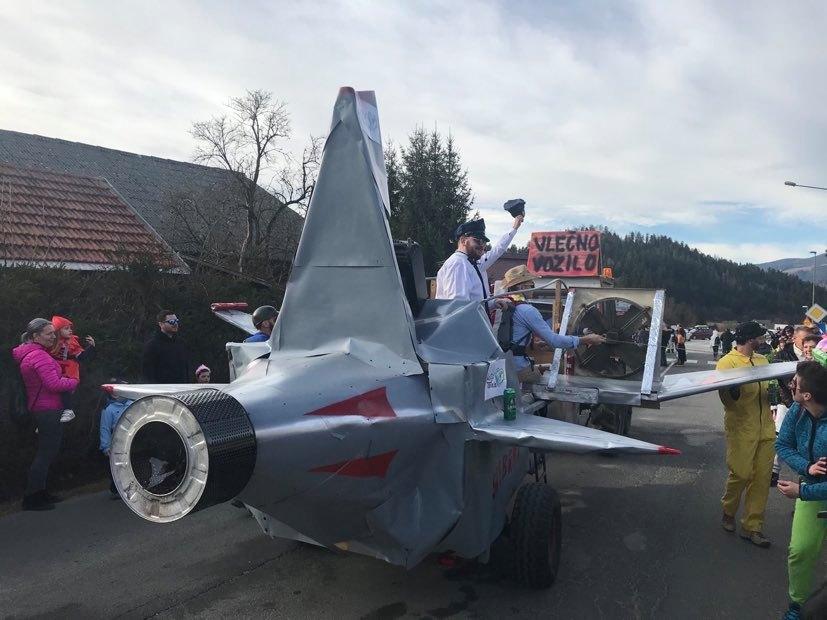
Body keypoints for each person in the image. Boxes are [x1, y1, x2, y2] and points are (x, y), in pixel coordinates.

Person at [775, 361, 827, 620]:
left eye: (794, 383)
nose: (790, 385)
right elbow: (783, 445)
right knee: (801, 550)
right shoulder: (798, 410)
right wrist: (807, 467)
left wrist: (801, 492)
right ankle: (797, 605)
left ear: (807, 395)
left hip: (808, 492)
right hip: (811, 490)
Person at [716, 321, 774, 547]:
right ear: (751, 339)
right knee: (740, 474)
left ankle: (753, 527)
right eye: (760, 337)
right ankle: (728, 510)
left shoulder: (762, 360)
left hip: (766, 428)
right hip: (741, 428)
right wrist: (732, 389)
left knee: (761, 479)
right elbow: (728, 401)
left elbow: (768, 390)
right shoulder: (727, 362)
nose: (763, 340)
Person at [12, 318, 79, 510]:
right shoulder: (39, 356)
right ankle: (32, 498)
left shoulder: (32, 354)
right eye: (49, 334)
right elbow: (54, 384)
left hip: (42, 408)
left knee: (46, 452)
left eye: (53, 333)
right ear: (36, 336)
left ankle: (40, 492)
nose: (53, 337)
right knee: (45, 453)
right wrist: (74, 381)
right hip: (48, 409)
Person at [500, 265, 605, 384]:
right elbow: (554, 341)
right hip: (518, 369)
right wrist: (586, 340)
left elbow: (511, 340)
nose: (534, 289)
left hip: (503, 366)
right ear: (522, 287)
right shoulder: (527, 310)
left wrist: (533, 346)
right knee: (555, 384)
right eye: (532, 285)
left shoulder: (507, 307)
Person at [435, 210, 523, 306]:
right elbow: (458, 307)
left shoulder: (471, 263)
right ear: (463, 240)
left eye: (484, 242)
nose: (482, 246)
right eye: (478, 241)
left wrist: (493, 303)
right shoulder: (458, 264)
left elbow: (498, 250)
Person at [48, 315, 96, 423]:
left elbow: (81, 357)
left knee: (65, 387)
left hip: (69, 369)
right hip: (53, 367)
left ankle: (68, 410)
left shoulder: (71, 341)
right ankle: (49, 417)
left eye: (70, 328)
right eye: (66, 328)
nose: (70, 330)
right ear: (58, 330)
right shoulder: (51, 341)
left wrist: (91, 347)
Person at [99, 385, 133, 497]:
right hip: (117, 441)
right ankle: (116, 489)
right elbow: (105, 428)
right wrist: (106, 446)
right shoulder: (108, 409)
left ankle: (132, 488)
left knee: (131, 464)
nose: (115, 393)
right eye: (112, 391)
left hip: (132, 439)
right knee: (118, 466)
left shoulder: (132, 404)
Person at [142, 310, 191, 384]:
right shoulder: (152, 346)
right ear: (161, 324)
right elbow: (148, 373)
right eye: (171, 322)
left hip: (182, 388)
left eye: (176, 321)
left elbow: (186, 369)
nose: (175, 324)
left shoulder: (181, 344)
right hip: (162, 389)